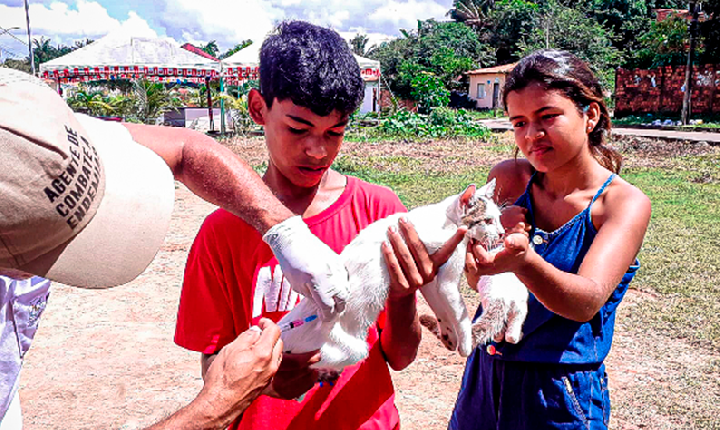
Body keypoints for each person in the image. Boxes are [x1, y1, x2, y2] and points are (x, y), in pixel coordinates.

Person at [0, 66, 354, 428]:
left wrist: (285, 232)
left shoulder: (27, 123)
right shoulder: (217, 236)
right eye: (48, 250)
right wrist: (218, 405)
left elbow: (185, 150)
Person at [174, 20, 465, 430]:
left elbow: (400, 357)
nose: (318, 149)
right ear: (258, 108)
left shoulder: (379, 210)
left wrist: (402, 298)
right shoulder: (222, 231)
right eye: (298, 128)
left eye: (336, 131)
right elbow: (213, 366)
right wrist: (267, 385)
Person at [448, 50, 652, 429]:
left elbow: (585, 302)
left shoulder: (621, 203)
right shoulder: (509, 179)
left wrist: (525, 262)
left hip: (559, 394)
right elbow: (481, 281)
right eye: (519, 122)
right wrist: (476, 260)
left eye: (547, 118)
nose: (531, 136)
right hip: (485, 378)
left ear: (590, 115)